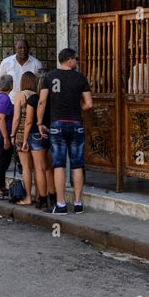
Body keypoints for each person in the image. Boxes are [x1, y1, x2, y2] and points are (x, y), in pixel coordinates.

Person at [38, 48, 92, 215]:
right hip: (76, 124)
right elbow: (89, 104)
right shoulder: (80, 77)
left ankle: (61, 204)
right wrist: (78, 107)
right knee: (77, 164)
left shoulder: (49, 77)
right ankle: (78, 203)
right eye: (75, 59)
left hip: (57, 125)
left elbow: (42, 101)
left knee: (59, 165)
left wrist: (40, 122)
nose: (77, 62)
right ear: (69, 60)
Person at [23, 74, 56, 210]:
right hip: (50, 133)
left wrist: (24, 139)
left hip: (36, 135)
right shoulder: (53, 99)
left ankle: (42, 199)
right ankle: (53, 198)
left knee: (39, 168)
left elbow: (29, 121)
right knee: (49, 168)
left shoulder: (34, 99)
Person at [10, 72, 38, 206]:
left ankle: (27, 197)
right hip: (37, 133)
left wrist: (12, 135)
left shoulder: (20, 95)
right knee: (37, 167)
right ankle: (40, 195)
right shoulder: (37, 96)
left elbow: (16, 118)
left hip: (22, 134)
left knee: (26, 167)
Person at [0, 39, 43, 104]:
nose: (23, 50)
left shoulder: (37, 64)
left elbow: (40, 85)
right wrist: (1, 99)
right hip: (10, 102)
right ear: (15, 49)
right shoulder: (6, 62)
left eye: (25, 48)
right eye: (20, 48)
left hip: (29, 103)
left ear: (28, 49)